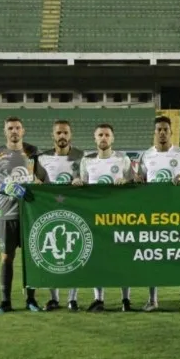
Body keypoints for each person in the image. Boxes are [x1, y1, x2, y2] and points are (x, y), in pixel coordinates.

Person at [72, 123, 135, 312]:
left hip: (118, 217)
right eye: (100, 135)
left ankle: (126, 300)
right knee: (97, 259)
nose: (104, 138)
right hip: (95, 219)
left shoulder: (123, 160)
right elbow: (82, 184)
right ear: (95, 138)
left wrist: (127, 180)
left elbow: (134, 183)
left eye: (107, 135)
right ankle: (98, 299)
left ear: (113, 138)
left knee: (122, 259)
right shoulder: (86, 161)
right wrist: (77, 182)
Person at [0, 116, 40, 314]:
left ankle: (31, 300)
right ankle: (5, 301)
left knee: (31, 258)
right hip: (6, 212)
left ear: (23, 131)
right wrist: (4, 186)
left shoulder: (32, 152)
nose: (14, 131)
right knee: (7, 257)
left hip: (29, 214)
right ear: (5, 131)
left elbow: (42, 179)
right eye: (10, 128)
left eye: (17, 128)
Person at [137, 116, 180, 312]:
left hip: (177, 213)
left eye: (165, 129)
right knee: (153, 257)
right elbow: (141, 183)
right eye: (158, 130)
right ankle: (153, 300)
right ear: (154, 133)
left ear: (171, 132)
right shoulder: (146, 156)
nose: (162, 133)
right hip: (154, 214)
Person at [34, 120, 85, 312]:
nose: (61, 136)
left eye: (65, 133)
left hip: (74, 209)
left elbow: (86, 180)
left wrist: (80, 181)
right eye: (58, 133)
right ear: (52, 135)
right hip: (49, 211)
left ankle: (73, 299)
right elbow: (38, 182)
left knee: (76, 252)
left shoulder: (81, 156)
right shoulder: (43, 158)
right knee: (49, 254)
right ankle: (53, 298)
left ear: (70, 135)